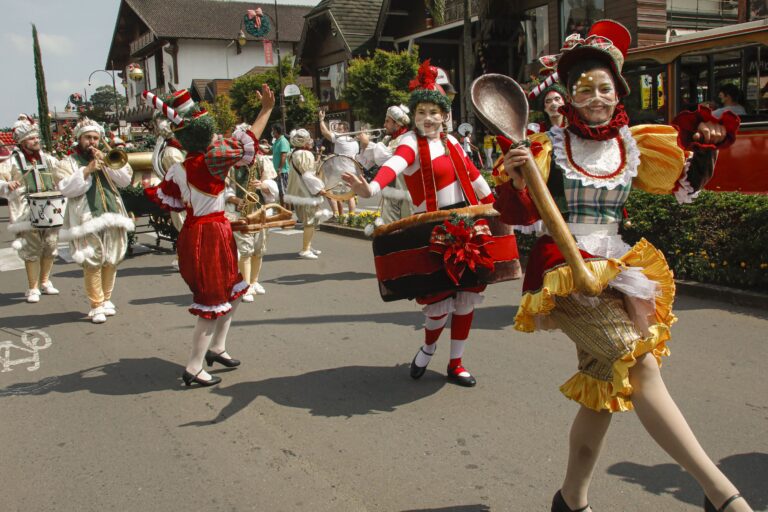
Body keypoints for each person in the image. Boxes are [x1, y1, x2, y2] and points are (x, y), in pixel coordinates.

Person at [493, 20, 751, 512]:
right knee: (638, 362)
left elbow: (682, 185)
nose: (595, 97)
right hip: (566, 271)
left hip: (616, 265)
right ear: (568, 95)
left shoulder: (633, 143)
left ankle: (571, 499)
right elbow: (520, 214)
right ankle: (722, 495)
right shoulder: (547, 145)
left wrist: (705, 142)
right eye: (583, 88)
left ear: (618, 93)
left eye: (604, 88)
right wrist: (517, 180)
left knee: (600, 388)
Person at [343, 60, 518, 388]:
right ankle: (428, 347)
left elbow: (475, 179)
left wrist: (499, 208)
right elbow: (395, 165)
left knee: (466, 298)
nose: (428, 118)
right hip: (433, 230)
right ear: (414, 115)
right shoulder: (409, 143)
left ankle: (456, 363)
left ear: (444, 115)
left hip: (467, 222)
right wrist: (370, 188)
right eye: (421, 112)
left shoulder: (453, 143)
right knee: (438, 302)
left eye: (433, 112)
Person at [144, 86, 274, 387]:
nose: (217, 134)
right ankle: (193, 366)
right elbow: (247, 140)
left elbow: (173, 199)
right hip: (210, 235)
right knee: (211, 301)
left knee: (234, 290)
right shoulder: (213, 158)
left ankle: (217, 347)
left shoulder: (179, 168)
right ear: (203, 132)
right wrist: (266, 109)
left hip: (199, 231)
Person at [55, 118, 134, 324]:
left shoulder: (106, 156)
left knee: (112, 258)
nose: (92, 142)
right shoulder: (68, 163)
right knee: (92, 261)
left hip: (113, 214)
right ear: (79, 139)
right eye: (88, 138)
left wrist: (107, 163)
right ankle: (96, 304)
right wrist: (87, 169)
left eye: (95, 138)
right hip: (86, 218)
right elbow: (66, 189)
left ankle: (106, 299)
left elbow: (125, 181)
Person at [0, 116, 62, 303]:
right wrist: (7, 184)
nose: (36, 141)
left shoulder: (48, 159)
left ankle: (45, 281)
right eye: (31, 138)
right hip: (26, 210)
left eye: (37, 137)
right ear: (22, 142)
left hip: (50, 208)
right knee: (32, 248)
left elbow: (62, 173)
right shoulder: (12, 161)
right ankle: (33, 287)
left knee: (50, 246)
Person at [225, 129, 279, 300]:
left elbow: (272, 185)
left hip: (260, 211)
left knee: (259, 250)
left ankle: (254, 281)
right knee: (245, 250)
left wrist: (264, 186)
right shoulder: (229, 164)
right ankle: (245, 285)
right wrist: (235, 200)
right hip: (239, 213)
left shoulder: (261, 161)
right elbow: (223, 189)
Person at [356, 104, 413, 223]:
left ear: (397, 124)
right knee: (389, 227)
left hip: (404, 194)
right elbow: (371, 162)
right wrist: (364, 146)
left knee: (406, 227)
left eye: (387, 121)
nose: (384, 125)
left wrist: (368, 144)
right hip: (390, 192)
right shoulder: (388, 139)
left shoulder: (406, 139)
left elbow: (387, 158)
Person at [150, 97, 187, 269]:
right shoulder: (172, 153)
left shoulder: (180, 149)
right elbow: (184, 181)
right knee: (186, 230)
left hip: (188, 198)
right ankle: (184, 259)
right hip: (183, 199)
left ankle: (183, 258)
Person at [283, 128, 332, 259]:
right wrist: (319, 189)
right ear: (304, 142)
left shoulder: (293, 153)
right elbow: (307, 176)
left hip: (298, 192)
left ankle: (308, 246)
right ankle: (305, 249)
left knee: (310, 221)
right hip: (306, 193)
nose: (311, 141)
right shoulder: (305, 154)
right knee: (310, 221)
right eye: (308, 139)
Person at [318, 110, 358, 215]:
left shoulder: (340, 139)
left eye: (339, 130)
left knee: (328, 191)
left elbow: (324, 132)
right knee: (350, 195)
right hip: (352, 170)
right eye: (337, 130)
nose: (337, 132)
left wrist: (321, 120)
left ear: (346, 130)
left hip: (340, 171)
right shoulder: (354, 141)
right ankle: (351, 216)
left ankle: (336, 214)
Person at [271, 123, 290, 201]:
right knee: (281, 192)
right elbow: (268, 151)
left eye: (273, 131)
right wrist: (257, 146)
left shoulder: (283, 141)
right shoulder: (276, 141)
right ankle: (283, 207)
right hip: (278, 171)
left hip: (283, 171)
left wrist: (280, 168)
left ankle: (286, 208)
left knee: (284, 193)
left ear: (276, 131)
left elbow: (284, 155)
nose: (272, 132)